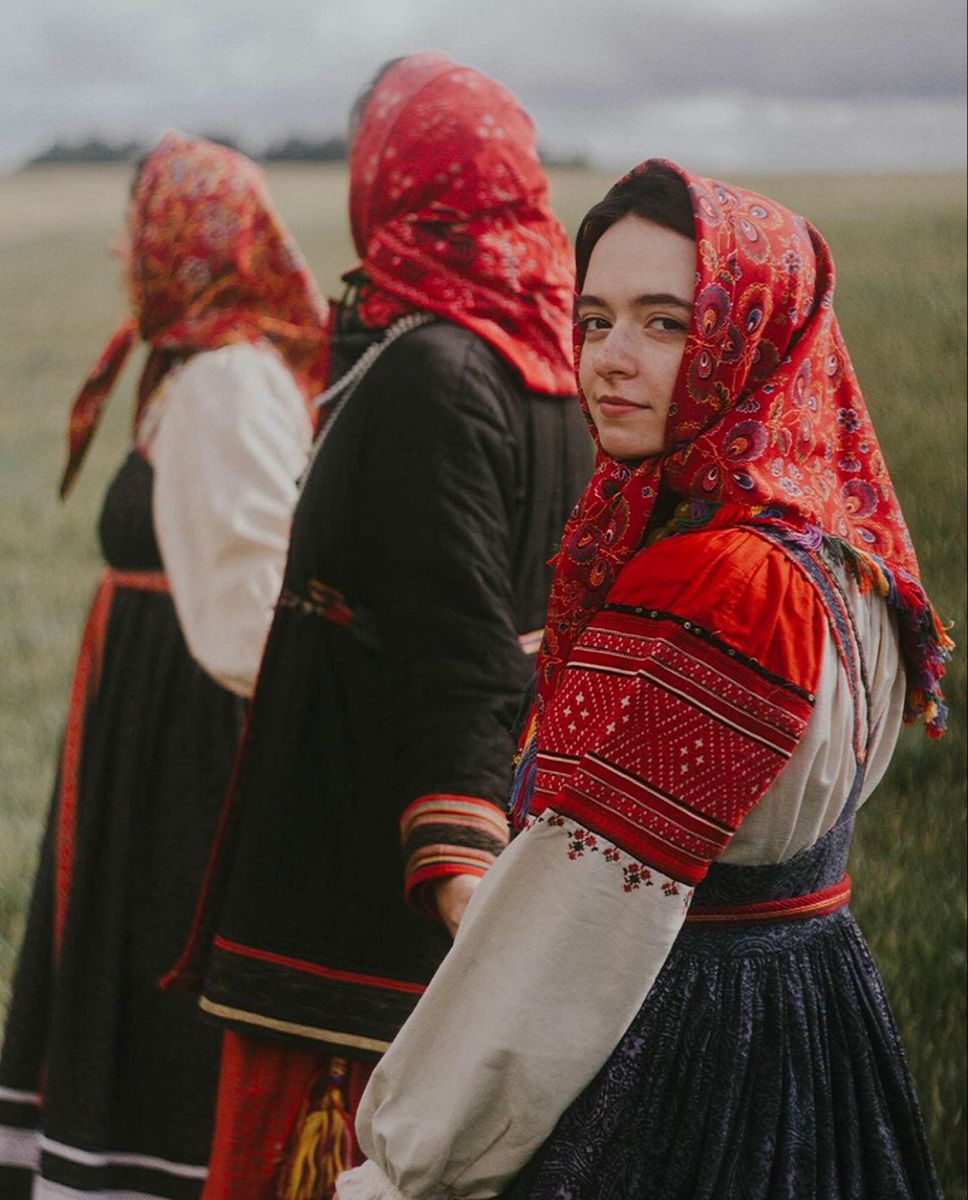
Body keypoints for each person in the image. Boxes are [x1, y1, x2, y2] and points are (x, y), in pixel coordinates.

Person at [335, 160, 952, 1200]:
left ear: (751, 337)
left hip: (675, 1057)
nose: (608, 361)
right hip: (813, 1012)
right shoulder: (838, 545)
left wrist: (401, 1166)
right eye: (593, 319)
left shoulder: (717, 587)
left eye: (665, 323)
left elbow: (570, 937)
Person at [163, 52, 592, 1200]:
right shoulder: (548, 358)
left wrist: (458, 878)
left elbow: (453, 637)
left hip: (358, 894)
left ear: (392, 182)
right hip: (458, 839)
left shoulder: (438, 373)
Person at [0, 132, 326, 1200]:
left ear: (182, 246)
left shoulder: (227, 380)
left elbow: (253, 605)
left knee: (157, 959)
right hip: (145, 715)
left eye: (141, 228)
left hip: (186, 735)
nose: (122, 249)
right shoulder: (194, 362)